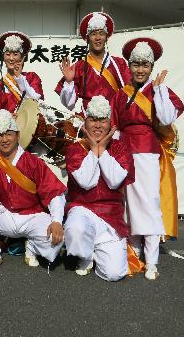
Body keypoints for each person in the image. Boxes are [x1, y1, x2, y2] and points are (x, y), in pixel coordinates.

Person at [112, 37, 183, 280]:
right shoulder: (121, 94)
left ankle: (151, 260)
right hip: (125, 152)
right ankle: (135, 250)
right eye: (135, 64)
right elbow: (115, 125)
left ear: (151, 67)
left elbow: (165, 119)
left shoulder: (158, 89)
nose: (140, 69)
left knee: (149, 205)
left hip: (148, 154)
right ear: (129, 66)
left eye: (145, 65)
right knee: (128, 204)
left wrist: (160, 89)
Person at [0, 109, 67, 272]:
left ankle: (32, 247)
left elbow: (54, 192)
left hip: (32, 216)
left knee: (56, 241)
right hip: (5, 214)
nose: (4, 139)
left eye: (8, 134)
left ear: (17, 134)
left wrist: (57, 221)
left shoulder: (33, 162)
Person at [64, 96, 134, 281]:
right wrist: (94, 151)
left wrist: (101, 150)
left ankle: (97, 247)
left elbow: (114, 181)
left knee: (114, 274)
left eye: (102, 120)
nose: (97, 125)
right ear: (85, 122)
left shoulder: (121, 148)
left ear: (110, 123)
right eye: (93, 119)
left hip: (111, 215)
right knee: (75, 228)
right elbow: (87, 182)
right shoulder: (74, 149)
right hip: (83, 209)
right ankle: (85, 257)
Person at [55, 12, 131, 113]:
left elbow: (131, 94)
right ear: (87, 38)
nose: (98, 38)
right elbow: (69, 104)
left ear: (106, 37)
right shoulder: (79, 67)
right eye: (94, 34)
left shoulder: (119, 64)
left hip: (114, 120)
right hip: (88, 121)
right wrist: (69, 81)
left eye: (101, 33)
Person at [0, 31, 44, 112]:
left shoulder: (31, 78)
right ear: (3, 57)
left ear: (22, 57)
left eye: (15, 54)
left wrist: (19, 78)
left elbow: (36, 102)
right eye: (7, 54)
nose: (11, 58)